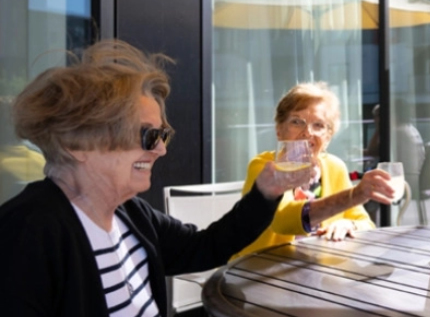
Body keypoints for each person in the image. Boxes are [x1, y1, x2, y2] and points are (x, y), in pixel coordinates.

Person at [0, 40, 310, 316]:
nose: (161, 149)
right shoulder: (25, 233)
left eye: (162, 135)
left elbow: (205, 247)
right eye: (148, 135)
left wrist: (265, 192)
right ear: (77, 143)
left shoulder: (129, 213)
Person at [232, 82, 396, 260]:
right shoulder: (264, 167)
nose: (307, 132)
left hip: (319, 270)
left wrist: (348, 224)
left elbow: (366, 223)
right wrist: (354, 195)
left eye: (318, 125)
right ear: (279, 130)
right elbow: (281, 220)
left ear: (328, 137)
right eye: (296, 122)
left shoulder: (334, 167)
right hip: (259, 269)